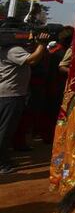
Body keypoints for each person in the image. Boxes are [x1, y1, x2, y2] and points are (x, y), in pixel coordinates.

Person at [0, 31, 48, 174]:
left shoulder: (5, 49)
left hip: (7, 94)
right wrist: (42, 45)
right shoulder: (13, 50)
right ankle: (2, 164)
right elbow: (32, 60)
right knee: (5, 130)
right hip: (11, 95)